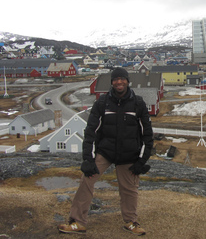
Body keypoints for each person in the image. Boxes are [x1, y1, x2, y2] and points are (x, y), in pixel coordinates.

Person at [58, 67, 153, 236]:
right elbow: (90, 132)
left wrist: (142, 160)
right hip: (105, 152)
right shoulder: (102, 103)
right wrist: (88, 159)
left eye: (122, 79)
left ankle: (131, 222)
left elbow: (147, 134)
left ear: (127, 81)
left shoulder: (138, 103)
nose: (119, 82)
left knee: (129, 189)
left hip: (129, 154)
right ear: (112, 82)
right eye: (116, 79)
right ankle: (77, 222)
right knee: (86, 181)